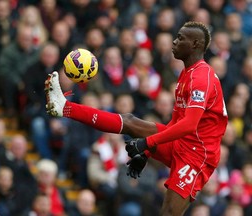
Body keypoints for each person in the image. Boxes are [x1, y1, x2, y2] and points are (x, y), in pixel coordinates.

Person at [45, 21, 228, 216]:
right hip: (182, 142)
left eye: (180, 38)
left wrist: (146, 143)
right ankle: (64, 107)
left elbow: (189, 125)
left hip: (198, 155)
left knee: (169, 213)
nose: (174, 42)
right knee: (130, 121)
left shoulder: (201, 78)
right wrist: (146, 153)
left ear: (195, 44)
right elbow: (175, 122)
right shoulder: (187, 74)